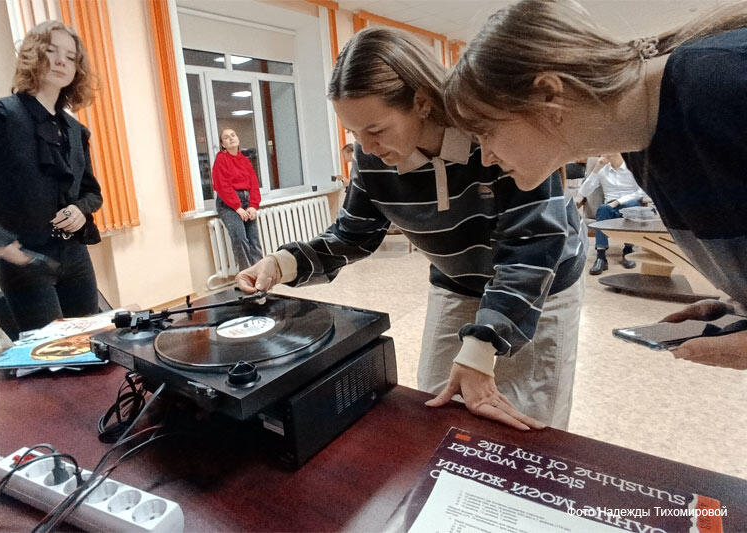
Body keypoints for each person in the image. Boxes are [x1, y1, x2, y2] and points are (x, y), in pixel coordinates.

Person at [237, 27, 587, 430]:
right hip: (458, 280)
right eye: (353, 133)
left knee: (527, 418)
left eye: (375, 130)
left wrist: (482, 347)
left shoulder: (495, 132)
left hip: (541, 281)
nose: (366, 147)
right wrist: (281, 264)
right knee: (438, 403)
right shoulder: (372, 158)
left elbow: (532, 243)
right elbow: (353, 236)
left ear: (421, 102)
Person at [444, 0, 747, 369]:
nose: (486, 158)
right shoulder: (642, 144)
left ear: (548, 95)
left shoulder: (721, 81)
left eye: (486, 132)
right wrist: (737, 305)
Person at [0, 20, 102, 335]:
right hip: (25, 261)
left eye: (70, 57)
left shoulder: (76, 131)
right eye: (51, 50)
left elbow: (92, 193)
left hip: (76, 259)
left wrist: (80, 209)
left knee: (92, 346)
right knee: (53, 356)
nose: (61, 61)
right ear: (34, 55)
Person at [578, 153, 647, 274]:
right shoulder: (602, 169)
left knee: (631, 206)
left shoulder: (632, 167)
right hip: (610, 207)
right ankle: (601, 257)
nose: (604, 152)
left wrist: (618, 202)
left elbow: (642, 191)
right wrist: (596, 169)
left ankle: (628, 251)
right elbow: (584, 191)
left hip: (630, 205)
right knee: (602, 209)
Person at [212, 128, 263, 271]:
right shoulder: (221, 159)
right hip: (228, 205)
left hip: (247, 202)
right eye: (226, 137)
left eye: (233, 135)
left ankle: (261, 274)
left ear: (238, 139)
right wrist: (237, 207)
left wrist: (253, 206)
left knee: (254, 240)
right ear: (223, 145)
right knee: (240, 239)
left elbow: (254, 184)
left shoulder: (245, 160)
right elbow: (222, 186)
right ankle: (247, 276)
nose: (231, 138)